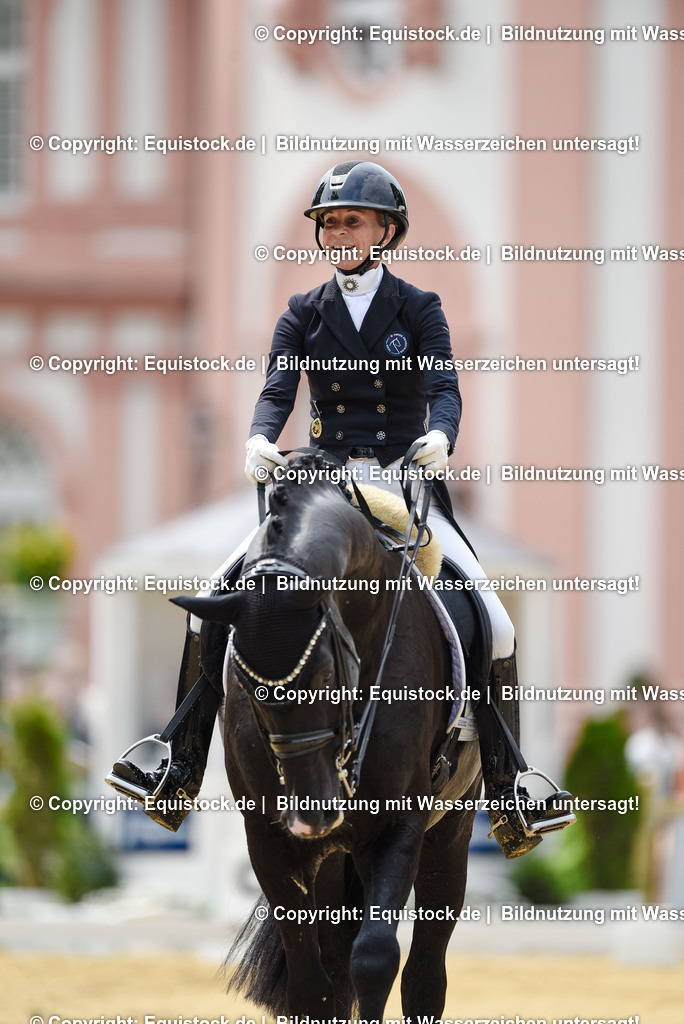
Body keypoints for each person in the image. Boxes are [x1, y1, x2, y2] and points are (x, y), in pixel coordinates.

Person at [108, 161, 574, 855]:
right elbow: (276, 389)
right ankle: (176, 764)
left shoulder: (420, 308)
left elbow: (444, 388)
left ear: (386, 231)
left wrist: (440, 435)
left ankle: (509, 788)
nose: (337, 231)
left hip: (401, 484)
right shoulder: (303, 311)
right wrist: (260, 438)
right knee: (219, 596)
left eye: (351, 219)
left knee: (493, 619)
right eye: (328, 221)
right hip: (320, 485)